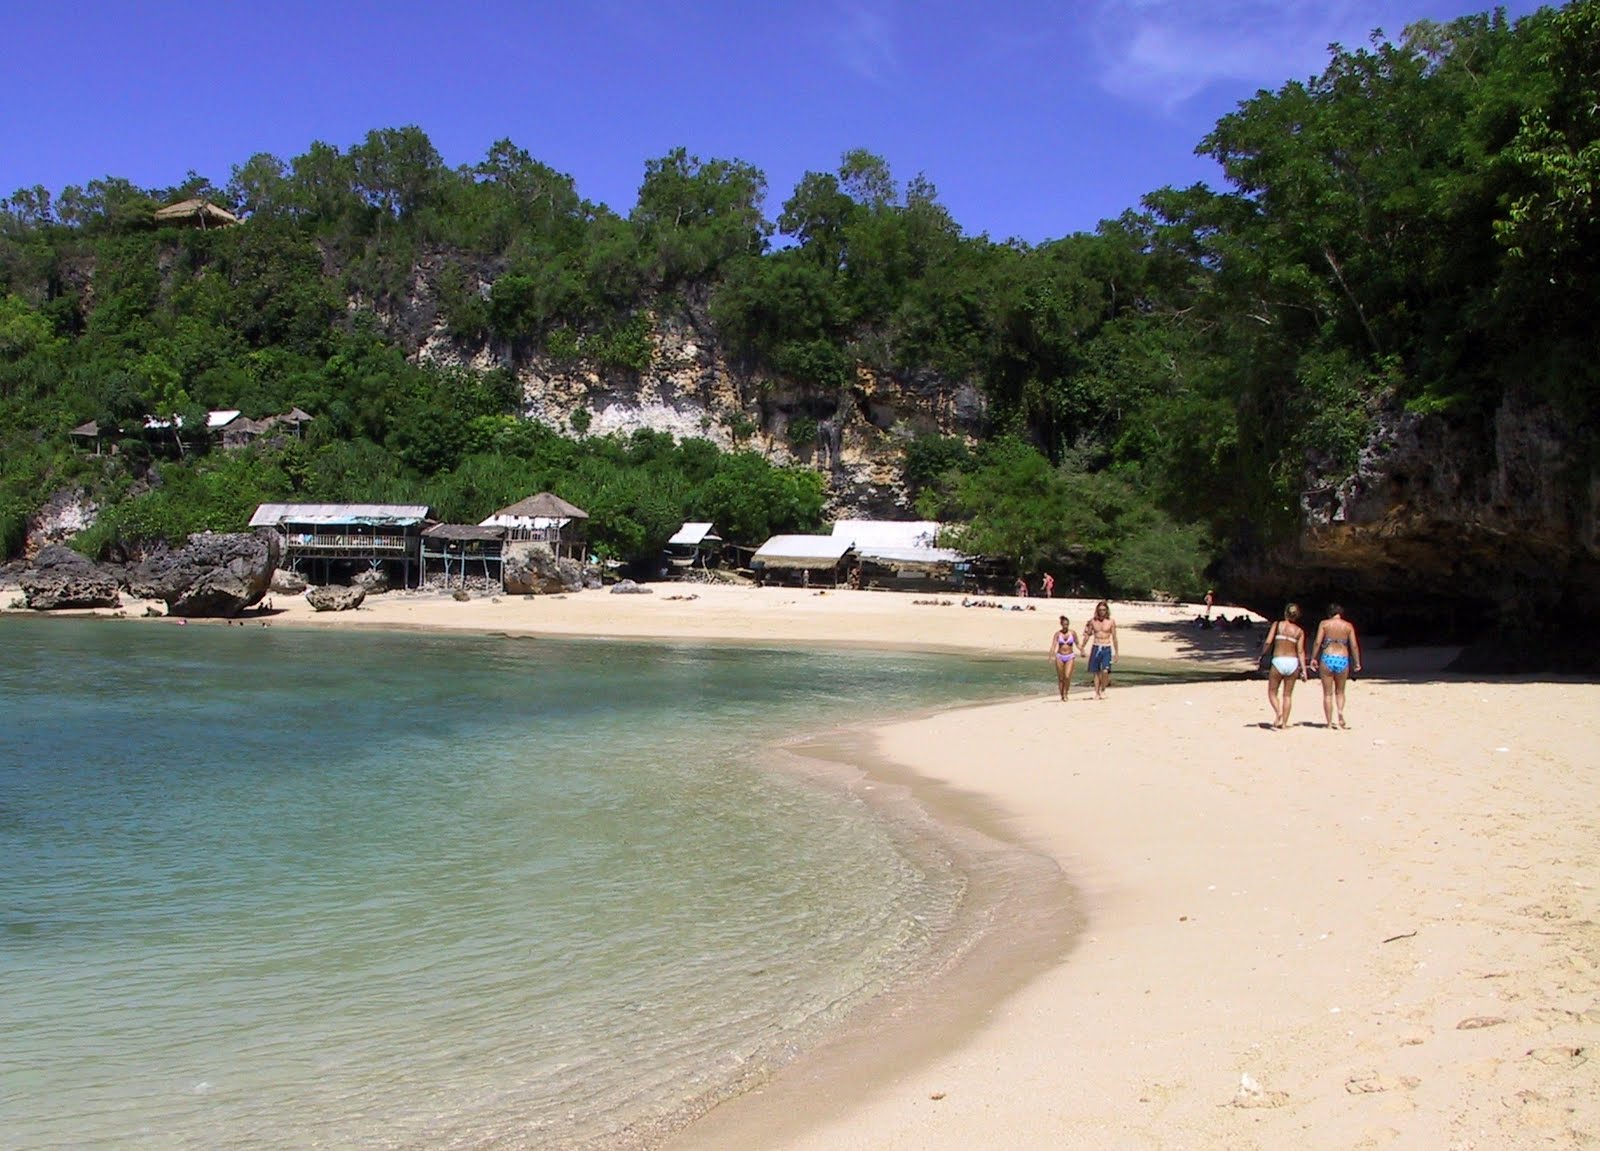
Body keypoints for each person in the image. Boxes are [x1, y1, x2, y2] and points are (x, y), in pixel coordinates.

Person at [1311, 603, 1363, 729]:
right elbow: (1354, 645)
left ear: (1329, 613)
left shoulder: (1324, 624)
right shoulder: (1348, 626)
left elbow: (1318, 641)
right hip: (1342, 658)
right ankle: (1340, 712)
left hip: (1328, 657)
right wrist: (1357, 662)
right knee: (1340, 692)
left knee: (1327, 694)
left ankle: (1329, 723)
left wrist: (1313, 658)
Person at [1258, 602, 1309, 729]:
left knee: (1272, 692)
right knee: (1287, 695)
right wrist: (1304, 670)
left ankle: (1278, 712)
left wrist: (1262, 653)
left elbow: (1268, 642)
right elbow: (1301, 651)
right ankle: (1285, 724)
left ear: (1285, 613)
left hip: (1278, 660)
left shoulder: (1277, 625)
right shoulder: (1299, 631)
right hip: (1292, 662)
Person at [1084, 600, 1118, 700]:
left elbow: (1114, 637)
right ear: (1097, 611)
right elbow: (1088, 634)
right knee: (1096, 671)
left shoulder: (1111, 622)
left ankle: (1103, 689)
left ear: (1107, 610)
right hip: (1096, 646)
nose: (1102, 612)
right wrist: (1082, 646)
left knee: (1105, 670)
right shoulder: (1093, 621)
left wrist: (1116, 653)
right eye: (1100, 610)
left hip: (1106, 647)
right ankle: (1096, 692)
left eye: (1103, 610)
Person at [1049, 615, 1078, 701]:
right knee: (1061, 678)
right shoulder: (1058, 634)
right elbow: (1053, 645)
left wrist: (1082, 650)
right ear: (1061, 624)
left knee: (1067, 676)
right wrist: (1050, 656)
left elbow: (1077, 643)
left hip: (1070, 656)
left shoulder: (1072, 633)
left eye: (1067, 624)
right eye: (1064, 624)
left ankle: (1066, 693)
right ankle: (1062, 694)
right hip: (1059, 656)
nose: (1066, 626)